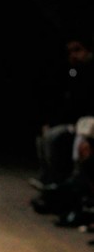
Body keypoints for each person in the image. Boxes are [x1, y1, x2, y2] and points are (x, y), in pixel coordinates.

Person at [31, 33, 94, 212]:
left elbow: (84, 103)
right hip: (78, 122)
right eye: (70, 51)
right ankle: (49, 181)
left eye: (78, 50)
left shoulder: (88, 72)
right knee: (45, 135)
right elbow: (66, 102)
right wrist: (51, 122)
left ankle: (69, 187)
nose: (74, 55)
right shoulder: (73, 72)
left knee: (57, 138)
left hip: (85, 122)